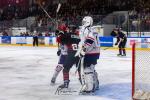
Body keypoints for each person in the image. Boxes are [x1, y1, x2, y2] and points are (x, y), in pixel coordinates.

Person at [75, 16, 100, 94]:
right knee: (91, 68)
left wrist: (84, 49)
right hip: (94, 52)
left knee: (87, 70)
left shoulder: (87, 29)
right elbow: (84, 41)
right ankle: (95, 85)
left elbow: (90, 40)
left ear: (87, 22)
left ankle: (90, 88)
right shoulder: (92, 29)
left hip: (90, 53)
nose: (83, 23)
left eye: (84, 22)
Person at [57, 25, 81, 89]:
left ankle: (66, 83)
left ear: (70, 29)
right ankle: (83, 82)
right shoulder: (79, 36)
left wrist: (61, 32)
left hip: (71, 54)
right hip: (79, 54)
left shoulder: (67, 35)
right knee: (80, 69)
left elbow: (59, 40)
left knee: (65, 69)